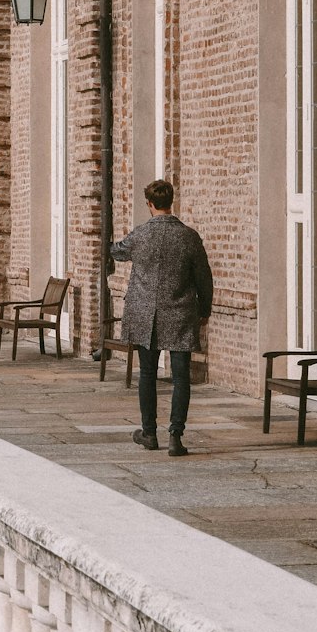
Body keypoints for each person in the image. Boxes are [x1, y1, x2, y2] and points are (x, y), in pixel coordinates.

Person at [109, 179, 213, 457]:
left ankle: (149, 433)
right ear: (171, 202)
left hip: (145, 314)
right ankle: (176, 436)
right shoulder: (189, 236)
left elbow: (116, 251)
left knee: (147, 374)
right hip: (179, 313)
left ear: (150, 204)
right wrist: (205, 310)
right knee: (181, 377)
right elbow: (204, 278)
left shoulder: (140, 235)